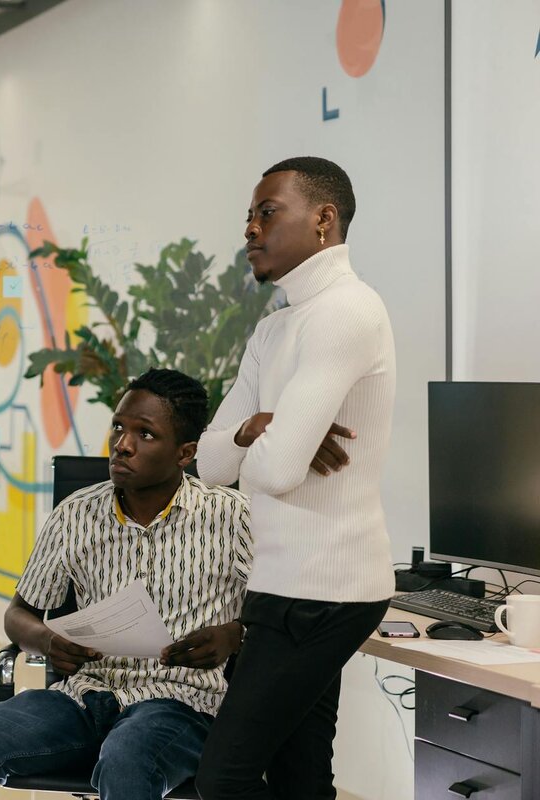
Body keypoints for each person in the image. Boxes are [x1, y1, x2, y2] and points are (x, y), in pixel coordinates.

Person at [0, 369, 252, 800]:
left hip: (181, 705)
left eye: (145, 434)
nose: (122, 444)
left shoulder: (232, 516)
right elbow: (19, 614)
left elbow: (279, 617)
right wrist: (47, 641)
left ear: (185, 453)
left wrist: (235, 635)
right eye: (118, 427)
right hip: (84, 699)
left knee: (127, 758)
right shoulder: (75, 514)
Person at [194, 157, 396, 799]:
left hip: (329, 589)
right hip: (280, 585)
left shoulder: (347, 311)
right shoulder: (276, 327)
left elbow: (279, 472)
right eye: (249, 216)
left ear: (323, 219)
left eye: (267, 212)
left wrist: (271, 445)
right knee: (299, 778)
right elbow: (211, 465)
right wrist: (261, 427)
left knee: (222, 779)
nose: (250, 229)